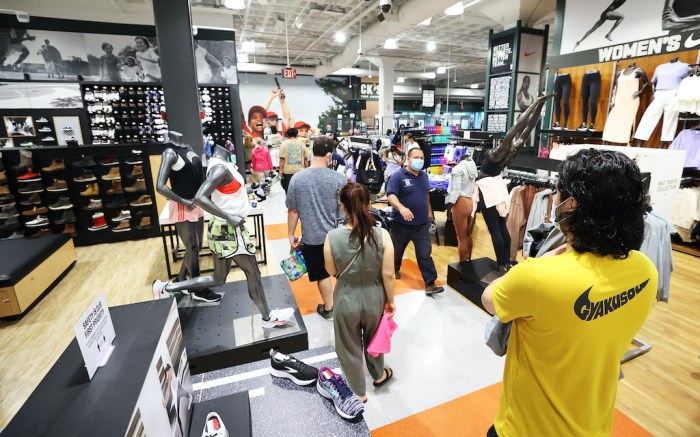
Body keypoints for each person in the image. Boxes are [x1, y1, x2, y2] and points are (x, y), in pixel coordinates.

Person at [481, 149, 657, 437]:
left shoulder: (537, 276)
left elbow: (489, 299)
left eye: (558, 194)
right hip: (594, 425)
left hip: (526, 428)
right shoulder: (646, 271)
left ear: (571, 205)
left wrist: (537, 264)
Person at [153, 145, 295, 329]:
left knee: (218, 279)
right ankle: (268, 318)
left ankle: (166, 288)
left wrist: (252, 189)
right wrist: (229, 217)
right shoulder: (220, 168)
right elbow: (200, 198)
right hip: (230, 230)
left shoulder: (222, 165)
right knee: (253, 272)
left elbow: (227, 193)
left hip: (223, 229)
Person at [323, 181, 396, 402]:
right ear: (368, 204)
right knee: (375, 339)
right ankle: (378, 374)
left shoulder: (332, 237)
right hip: (375, 295)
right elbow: (389, 274)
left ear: (343, 207)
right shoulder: (382, 235)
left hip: (346, 296)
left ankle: (357, 392)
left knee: (348, 346)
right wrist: (390, 301)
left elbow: (331, 270)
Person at [476, 95, 550, 278]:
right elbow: (529, 127)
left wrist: (535, 102)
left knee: (495, 229)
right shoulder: (515, 148)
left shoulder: (497, 152)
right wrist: (540, 106)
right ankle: (507, 261)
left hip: (488, 188)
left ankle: (501, 265)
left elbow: (518, 126)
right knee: (502, 227)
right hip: (499, 187)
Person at [286, 136, 347, 320]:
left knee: (321, 273)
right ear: (329, 155)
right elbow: (346, 208)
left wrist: (291, 235)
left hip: (312, 236)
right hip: (337, 235)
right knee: (341, 272)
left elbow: (293, 211)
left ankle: (329, 308)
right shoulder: (339, 178)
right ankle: (346, 306)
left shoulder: (297, 178)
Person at [386, 147, 443, 295]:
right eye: (416, 157)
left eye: (422, 158)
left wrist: (429, 210)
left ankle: (430, 283)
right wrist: (401, 208)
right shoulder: (398, 176)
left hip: (421, 223)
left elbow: (426, 194)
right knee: (396, 252)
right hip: (401, 224)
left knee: (425, 254)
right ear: (408, 159)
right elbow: (391, 195)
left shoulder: (424, 176)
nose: (419, 160)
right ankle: (394, 270)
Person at [446, 155, 478, 262]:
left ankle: (463, 263)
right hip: (469, 201)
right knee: (468, 234)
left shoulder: (458, 169)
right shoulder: (472, 167)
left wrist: (449, 203)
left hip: (460, 202)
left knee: (461, 238)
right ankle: (468, 259)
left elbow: (456, 190)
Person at [279, 127, 310, 193]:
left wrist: (280, 170)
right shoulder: (301, 143)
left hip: (287, 172)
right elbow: (305, 159)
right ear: (297, 134)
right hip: (300, 171)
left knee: (288, 190)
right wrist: (307, 169)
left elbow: (282, 159)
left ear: (288, 134)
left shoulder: (284, 143)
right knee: (299, 191)